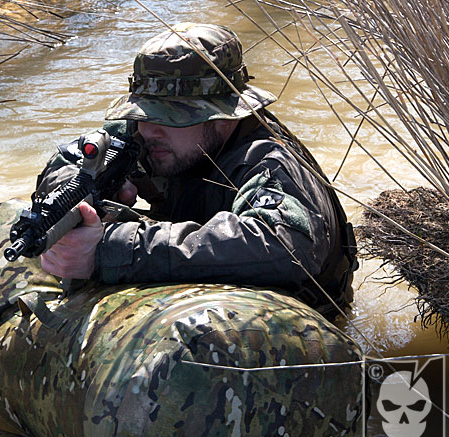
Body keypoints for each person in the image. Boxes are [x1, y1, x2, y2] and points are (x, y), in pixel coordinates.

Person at [35, 22, 358, 320]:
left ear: (222, 116)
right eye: (144, 114)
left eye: (170, 117)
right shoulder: (149, 133)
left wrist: (110, 248)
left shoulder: (270, 161)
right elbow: (67, 162)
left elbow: (284, 247)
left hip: (283, 327)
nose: (148, 131)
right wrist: (89, 196)